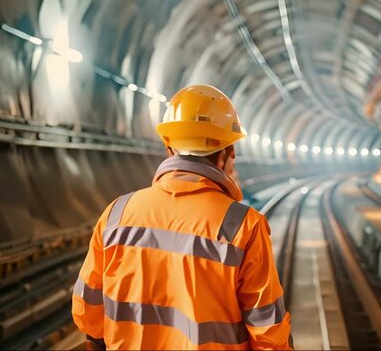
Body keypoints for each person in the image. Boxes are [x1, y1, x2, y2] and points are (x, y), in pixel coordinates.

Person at [72, 84, 292, 350]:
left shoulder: (117, 214)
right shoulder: (243, 226)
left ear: (169, 147)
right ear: (227, 153)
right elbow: (268, 333)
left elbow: (87, 310)